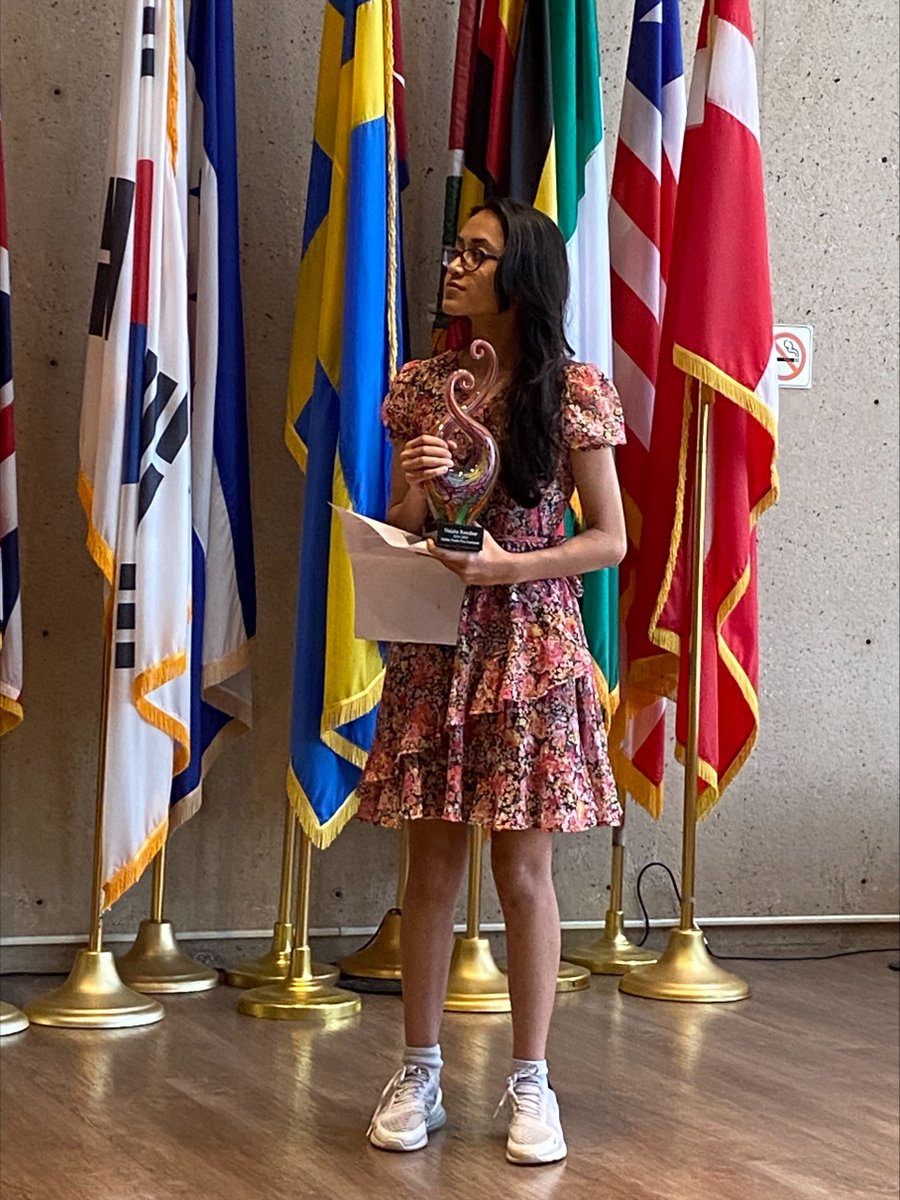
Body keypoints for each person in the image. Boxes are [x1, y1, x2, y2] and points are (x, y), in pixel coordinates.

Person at [356, 197, 626, 1166]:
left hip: (531, 649)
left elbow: (610, 539)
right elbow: (406, 518)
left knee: (523, 872)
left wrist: (509, 567)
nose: (455, 264)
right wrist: (424, 482)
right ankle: (418, 1070)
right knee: (429, 868)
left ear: (525, 275)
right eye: (454, 247)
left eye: (477, 252)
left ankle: (531, 1083)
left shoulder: (575, 388)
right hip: (436, 643)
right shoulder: (424, 384)